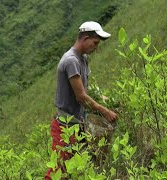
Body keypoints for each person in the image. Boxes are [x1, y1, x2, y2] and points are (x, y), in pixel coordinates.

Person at [45, 21, 117, 179]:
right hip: (65, 127)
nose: (96, 47)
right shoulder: (71, 61)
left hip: (79, 124)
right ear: (85, 38)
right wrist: (105, 111)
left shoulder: (83, 58)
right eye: (95, 42)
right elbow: (81, 97)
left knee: (80, 165)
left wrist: (109, 100)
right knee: (57, 171)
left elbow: (86, 88)